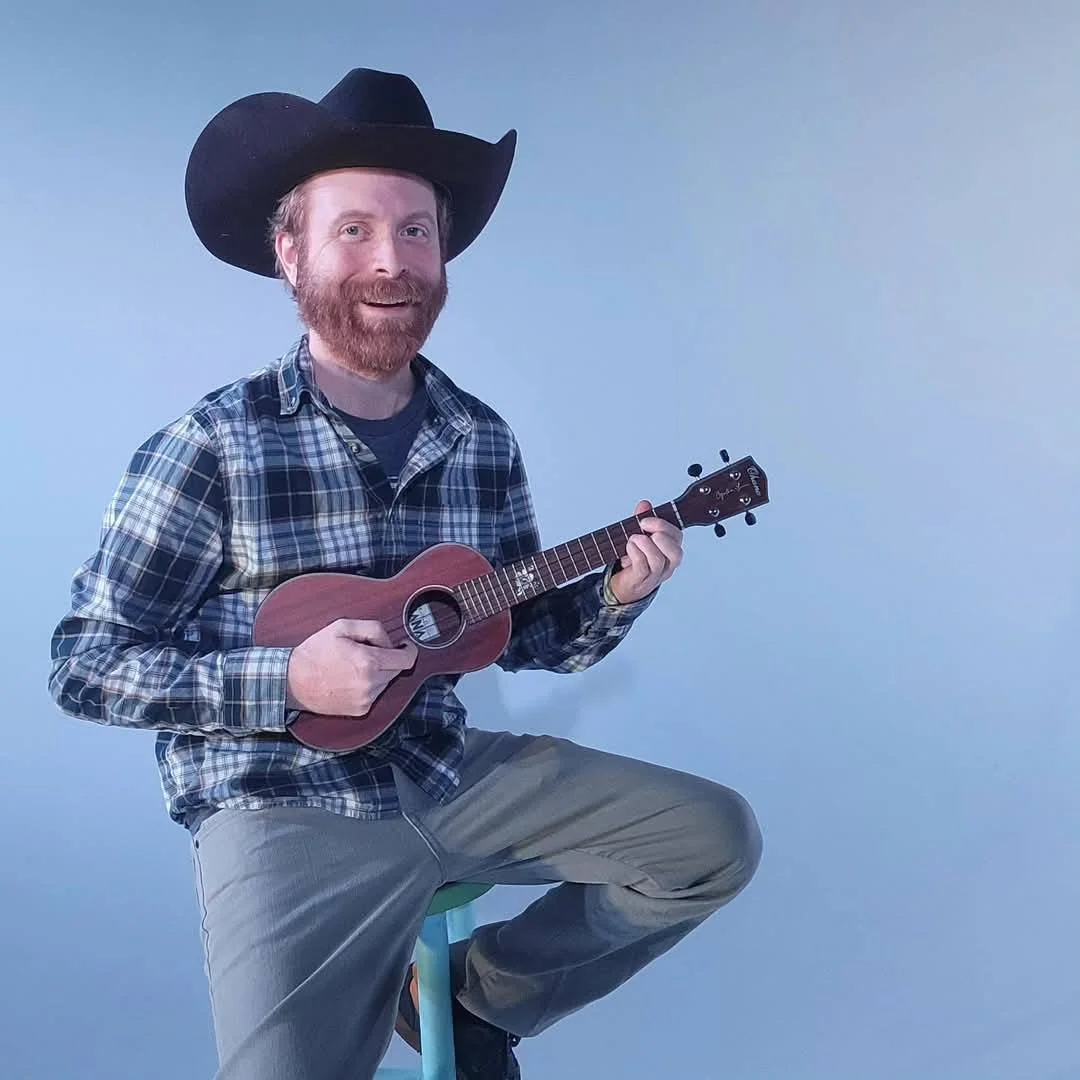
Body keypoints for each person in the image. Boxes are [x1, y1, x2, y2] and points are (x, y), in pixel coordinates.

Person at [48, 67, 762, 1080]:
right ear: (290, 251)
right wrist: (289, 680)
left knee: (711, 840)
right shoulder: (211, 446)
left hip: (445, 772)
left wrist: (618, 591)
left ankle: (471, 995)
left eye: (415, 231)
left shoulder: (481, 439)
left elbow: (528, 634)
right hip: (282, 804)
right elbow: (84, 666)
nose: (391, 260)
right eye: (354, 229)